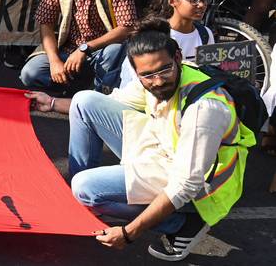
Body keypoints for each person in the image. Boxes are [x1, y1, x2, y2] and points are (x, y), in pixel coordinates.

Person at [26, 25, 256, 261]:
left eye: (164, 70)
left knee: (85, 187)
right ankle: (80, 204)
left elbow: (186, 183)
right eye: (147, 75)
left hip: (202, 182)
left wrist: (129, 233)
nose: (157, 82)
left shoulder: (205, 108)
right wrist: (51, 102)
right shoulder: (152, 77)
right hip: (165, 148)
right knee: (85, 101)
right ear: (136, 72)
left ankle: (183, 223)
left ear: (177, 58)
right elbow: (110, 101)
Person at [120, 0, 215, 87]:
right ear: (173, 1)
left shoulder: (205, 34)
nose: (202, 4)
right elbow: (138, 80)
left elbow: (211, 72)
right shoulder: (155, 35)